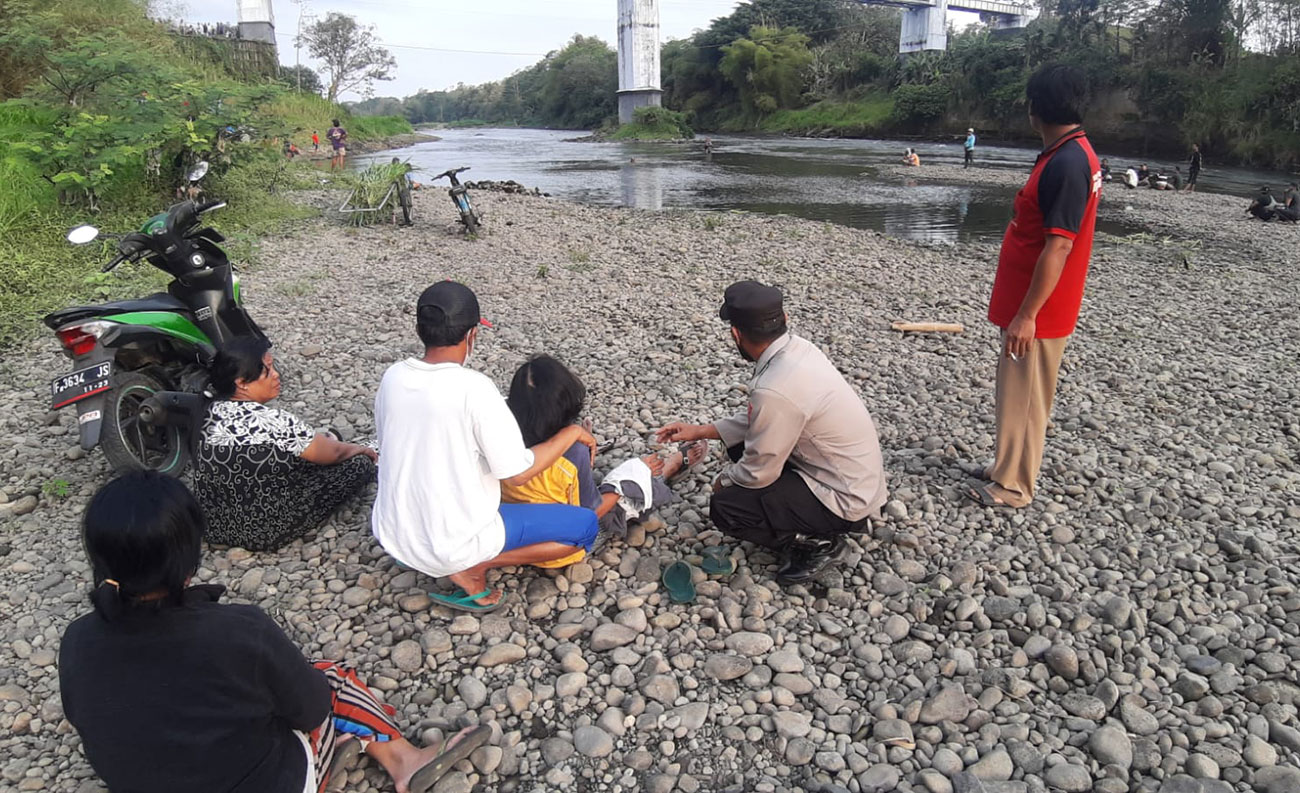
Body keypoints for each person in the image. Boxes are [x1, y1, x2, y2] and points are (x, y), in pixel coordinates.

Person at [59, 472, 490, 793]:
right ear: (187, 561)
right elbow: (312, 707)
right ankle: (404, 760)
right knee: (329, 680)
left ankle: (335, 753)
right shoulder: (238, 631)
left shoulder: (77, 641)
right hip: (264, 781)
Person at [371, 282, 601, 612]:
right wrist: (570, 434)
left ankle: (444, 557)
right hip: (452, 542)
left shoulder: (392, 377)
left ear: (420, 329)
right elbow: (518, 473)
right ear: (471, 335)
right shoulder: (475, 389)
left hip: (394, 534)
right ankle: (474, 567)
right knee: (584, 527)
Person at [656, 281, 888, 584]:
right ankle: (807, 519)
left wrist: (723, 481)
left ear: (735, 333)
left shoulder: (776, 387)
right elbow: (767, 419)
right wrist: (701, 431)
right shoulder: (799, 349)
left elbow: (759, 472)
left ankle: (819, 542)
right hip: (855, 477)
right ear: (785, 320)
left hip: (845, 497)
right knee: (739, 447)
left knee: (727, 507)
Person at [968, 63, 1101, 509]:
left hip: (1040, 309)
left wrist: (1028, 314)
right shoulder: (1065, 152)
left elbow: (1059, 247)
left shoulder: (1068, 162)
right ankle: (1006, 466)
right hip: (1029, 302)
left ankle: (1015, 486)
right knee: (1015, 390)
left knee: (1026, 396)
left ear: (1035, 109)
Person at [192, 336, 378, 551]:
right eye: (267, 370)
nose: (276, 375)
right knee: (358, 463)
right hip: (265, 530)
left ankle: (322, 439)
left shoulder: (205, 412)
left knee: (293, 453)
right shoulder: (272, 421)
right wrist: (362, 450)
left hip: (215, 526)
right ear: (241, 383)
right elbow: (333, 454)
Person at [502, 354, 708, 544]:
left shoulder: (493, 428)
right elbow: (590, 512)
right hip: (555, 540)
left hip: (509, 524)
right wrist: (628, 479)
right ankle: (669, 469)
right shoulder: (573, 452)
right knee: (632, 487)